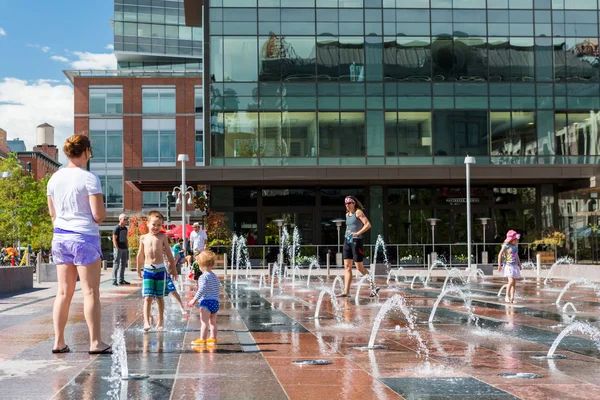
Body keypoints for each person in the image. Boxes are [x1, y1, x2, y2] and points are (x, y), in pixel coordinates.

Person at [47, 134, 111, 355]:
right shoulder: (89, 178)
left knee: (63, 292)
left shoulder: (54, 179)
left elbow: (52, 214)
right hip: (84, 237)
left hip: (60, 236)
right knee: (90, 292)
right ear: (86, 152)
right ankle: (95, 342)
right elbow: (99, 214)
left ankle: (58, 341)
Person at [137, 210, 177, 331]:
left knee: (160, 297)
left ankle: (160, 321)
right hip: (148, 270)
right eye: (154, 224)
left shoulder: (163, 237)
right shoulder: (143, 238)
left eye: (159, 225)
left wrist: (174, 268)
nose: (156, 227)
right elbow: (140, 254)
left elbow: (169, 253)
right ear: (147, 224)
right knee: (147, 297)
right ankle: (146, 322)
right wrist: (138, 268)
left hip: (160, 270)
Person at [338, 196, 379, 298]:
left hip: (357, 241)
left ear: (354, 203)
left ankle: (374, 287)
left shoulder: (358, 212)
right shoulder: (347, 214)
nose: (347, 205)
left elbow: (368, 225)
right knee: (347, 267)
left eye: (349, 203)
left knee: (359, 267)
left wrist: (357, 233)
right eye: (346, 203)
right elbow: (348, 226)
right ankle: (346, 291)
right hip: (347, 240)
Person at [187, 250, 220, 346]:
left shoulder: (203, 277)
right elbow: (217, 288)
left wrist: (194, 300)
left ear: (200, 264)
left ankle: (202, 339)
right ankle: (213, 338)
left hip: (206, 302)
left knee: (204, 322)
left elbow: (201, 290)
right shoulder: (215, 276)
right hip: (215, 303)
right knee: (213, 322)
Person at [497, 230, 522, 304]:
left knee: (514, 282)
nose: (516, 241)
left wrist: (519, 264)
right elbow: (500, 255)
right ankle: (506, 296)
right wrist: (499, 265)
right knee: (510, 281)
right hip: (508, 265)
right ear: (511, 240)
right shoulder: (506, 246)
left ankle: (512, 298)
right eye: (515, 240)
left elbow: (516, 255)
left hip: (514, 265)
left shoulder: (516, 246)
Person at [112, 213, 130, 286]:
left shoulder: (125, 228)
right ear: (120, 219)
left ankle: (121, 279)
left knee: (123, 264)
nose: (126, 220)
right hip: (118, 248)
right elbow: (114, 239)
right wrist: (117, 248)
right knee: (116, 264)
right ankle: (114, 280)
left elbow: (126, 238)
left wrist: (127, 246)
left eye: (126, 219)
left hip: (124, 248)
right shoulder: (117, 228)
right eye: (124, 219)